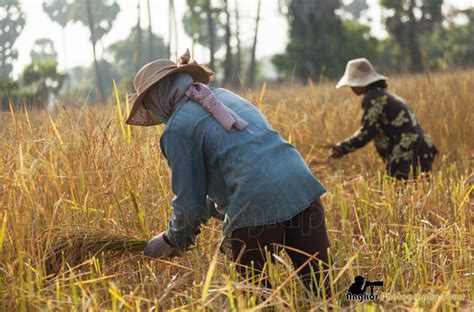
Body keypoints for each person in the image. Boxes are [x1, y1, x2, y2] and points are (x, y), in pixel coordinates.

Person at [125, 50, 330, 293]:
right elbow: (246, 165)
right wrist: (212, 210)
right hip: (303, 189)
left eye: (149, 105)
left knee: (257, 300)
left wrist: (171, 241)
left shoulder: (177, 130)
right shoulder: (225, 96)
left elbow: (190, 203)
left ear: (156, 98)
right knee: (324, 293)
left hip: (256, 208)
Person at [330, 58, 438, 180]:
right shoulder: (385, 95)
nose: (351, 88)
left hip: (407, 152)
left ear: (361, 83)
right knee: (418, 190)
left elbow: (367, 132)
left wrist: (343, 147)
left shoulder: (373, 98)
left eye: (352, 84)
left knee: (399, 192)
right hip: (421, 148)